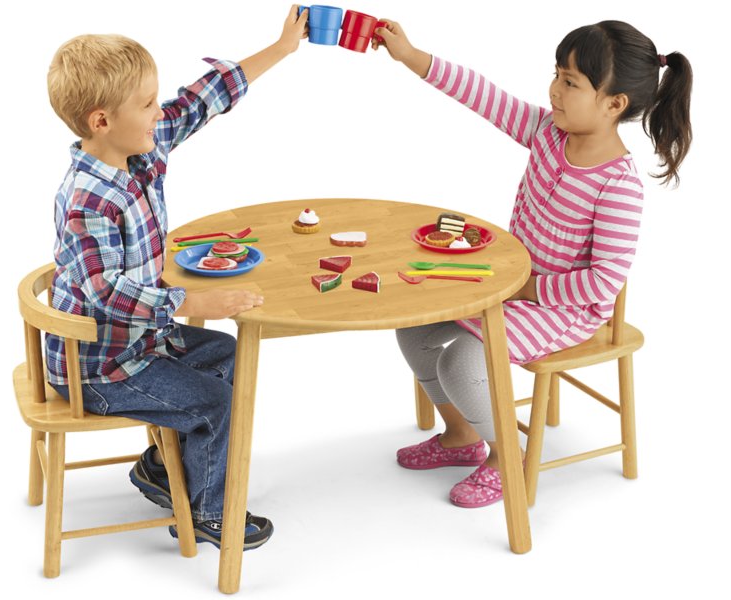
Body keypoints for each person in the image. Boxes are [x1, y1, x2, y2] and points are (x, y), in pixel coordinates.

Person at [373, 20, 692, 507]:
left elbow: (603, 283)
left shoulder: (618, 186)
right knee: (413, 329)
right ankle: (460, 435)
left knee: (462, 361)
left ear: (614, 104)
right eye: (556, 75)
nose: (555, 91)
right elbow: (483, 94)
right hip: (510, 285)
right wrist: (411, 55)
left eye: (571, 83)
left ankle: (507, 459)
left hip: (564, 309)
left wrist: (526, 289)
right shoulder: (547, 132)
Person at [44, 6, 309, 549]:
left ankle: (161, 467)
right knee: (213, 402)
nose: (157, 112)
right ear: (102, 121)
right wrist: (193, 300)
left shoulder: (137, 148)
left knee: (228, 355)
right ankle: (211, 512)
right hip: (100, 367)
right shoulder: (88, 198)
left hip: (142, 342)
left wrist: (281, 48)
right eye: (146, 104)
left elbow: (198, 101)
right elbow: (105, 292)